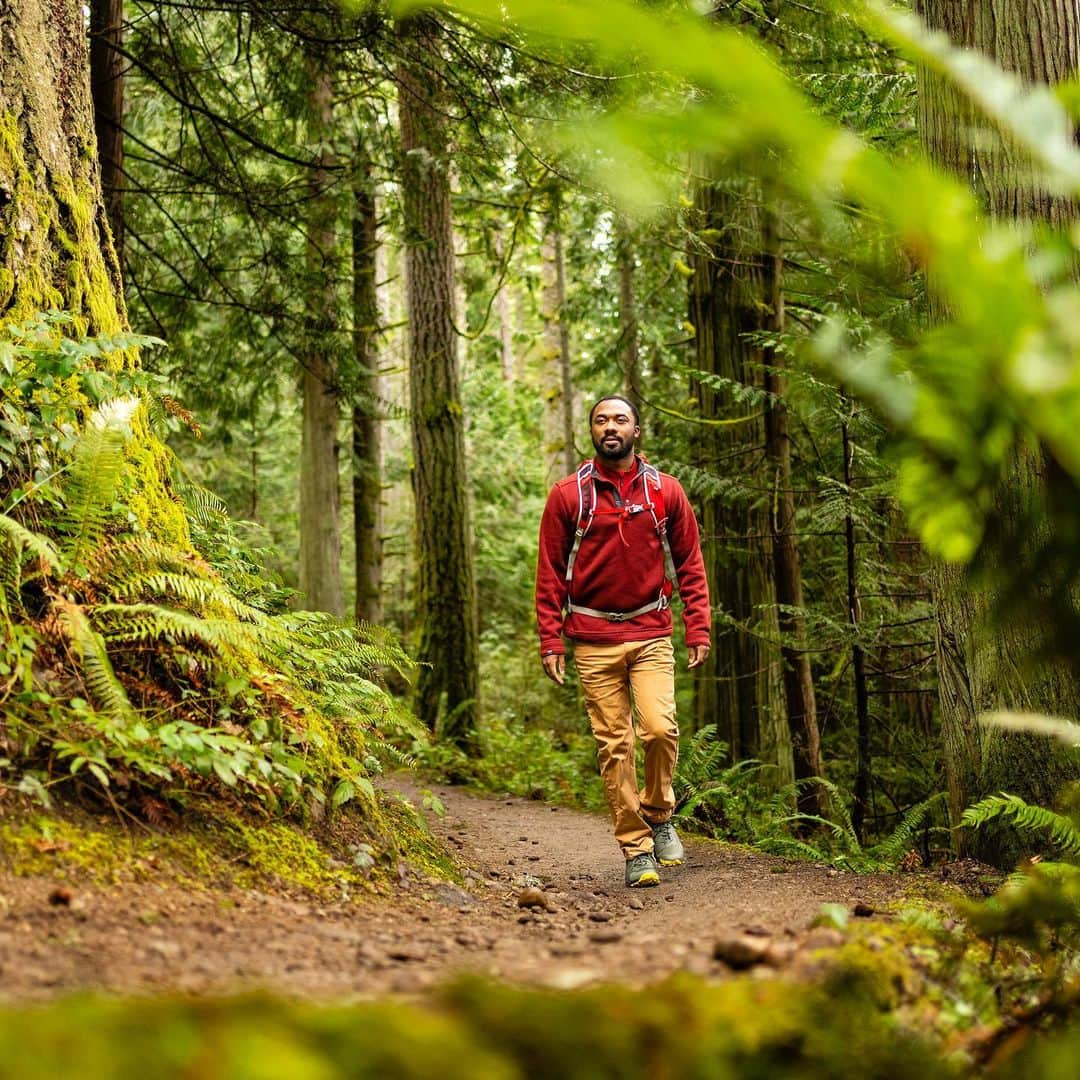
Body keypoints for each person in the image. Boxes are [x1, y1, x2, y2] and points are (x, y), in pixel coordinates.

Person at [535, 395, 711, 887]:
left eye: (620, 419)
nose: (610, 427)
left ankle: (659, 813)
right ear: (591, 431)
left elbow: (690, 564)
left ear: (636, 430)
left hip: (650, 630)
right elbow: (549, 573)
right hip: (592, 638)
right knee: (616, 745)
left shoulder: (665, 492)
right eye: (601, 420)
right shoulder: (569, 496)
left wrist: (698, 625)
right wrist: (551, 639)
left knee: (658, 730)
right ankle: (636, 848)